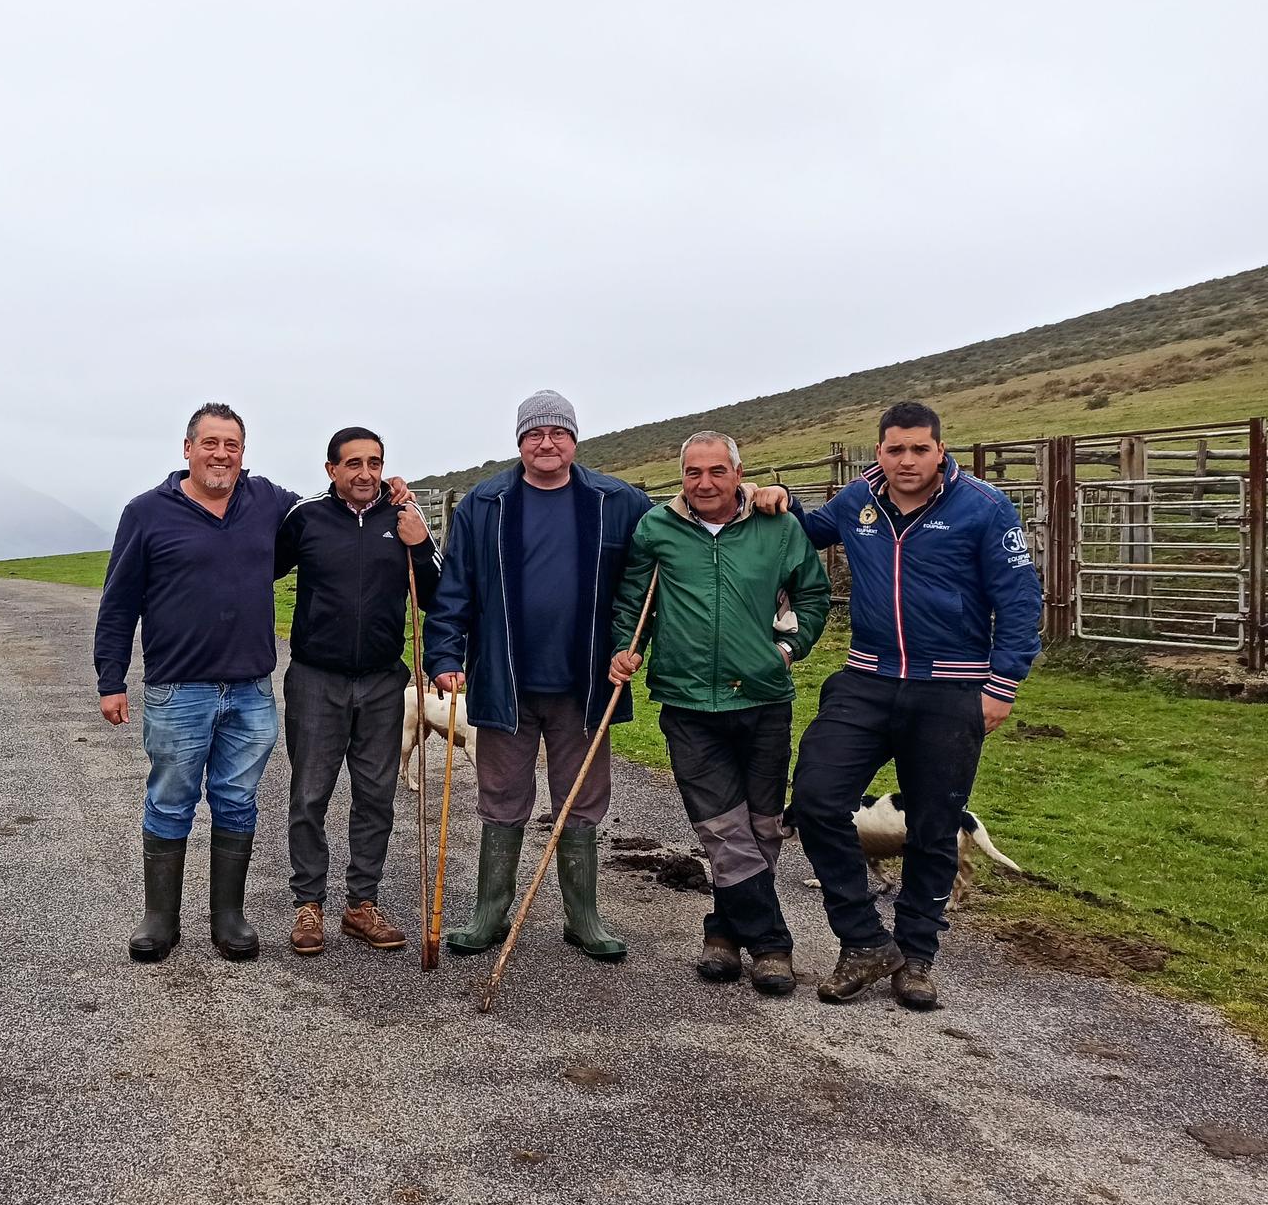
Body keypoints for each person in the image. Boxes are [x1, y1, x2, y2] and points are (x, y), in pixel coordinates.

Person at [94, 403, 411, 966]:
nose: (221, 455)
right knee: (170, 801)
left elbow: (337, 503)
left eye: (232, 446)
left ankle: (228, 918)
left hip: (249, 689)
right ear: (187, 448)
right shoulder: (145, 512)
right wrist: (111, 678)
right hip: (177, 686)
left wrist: (390, 497)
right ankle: (159, 919)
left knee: (237, 801)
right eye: (210, 444)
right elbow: (119, 602)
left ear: (244, 454)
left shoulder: (268, 502)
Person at [760, 401, 1042, 1010]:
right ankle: (863, 938)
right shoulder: (860, 503)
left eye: (919, 449)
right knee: (814, 799)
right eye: (895, 450)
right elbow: (804, 533)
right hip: (867, 676)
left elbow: (1020, 601)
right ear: (879, 452)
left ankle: (916, 958)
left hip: (952, 684)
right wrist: (778, 497)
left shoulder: (986, 508)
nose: (907, 460)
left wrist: (1002, 684)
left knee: (935, 824)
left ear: (940, 450)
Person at [422, 390, 653, 961]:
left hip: (586, 683)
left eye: (557, 433)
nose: (546, 444)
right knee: (501, 795)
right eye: (534, 434)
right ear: (520, 441)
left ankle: (584, 918)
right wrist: (445, 655)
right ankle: (488, 915)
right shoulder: (485, 504)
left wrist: (752, 494)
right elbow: (455, 588)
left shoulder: (617, 501)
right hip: (506, 682)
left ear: (574, 439)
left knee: (581, 797)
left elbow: (648, 579)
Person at [607, 431, 831, 995]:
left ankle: (725, 935)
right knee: (721, 829)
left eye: (716, 472)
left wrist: (786, 650)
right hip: (686, 701)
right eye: (692, 473)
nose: (704, 483)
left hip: (762, 698)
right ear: (681, 476)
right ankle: (773, 946)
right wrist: (622, 646)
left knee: (761, 827)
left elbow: (813, 595)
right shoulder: (657, 528)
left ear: (738, 473)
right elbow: (635, 600)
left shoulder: (777, 526)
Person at [274, 427, 440, 955]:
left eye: (374, 463)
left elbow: (437, 594)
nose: (365, 473)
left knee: (377, 794)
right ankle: (309, 904)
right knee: (309, 792)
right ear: (331, 471)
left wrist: (419, 544)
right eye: (353, 464)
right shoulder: (305, 520)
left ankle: (361, 904)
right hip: (316, 677)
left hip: (383, 680)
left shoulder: (405, 520)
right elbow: (257, 570)